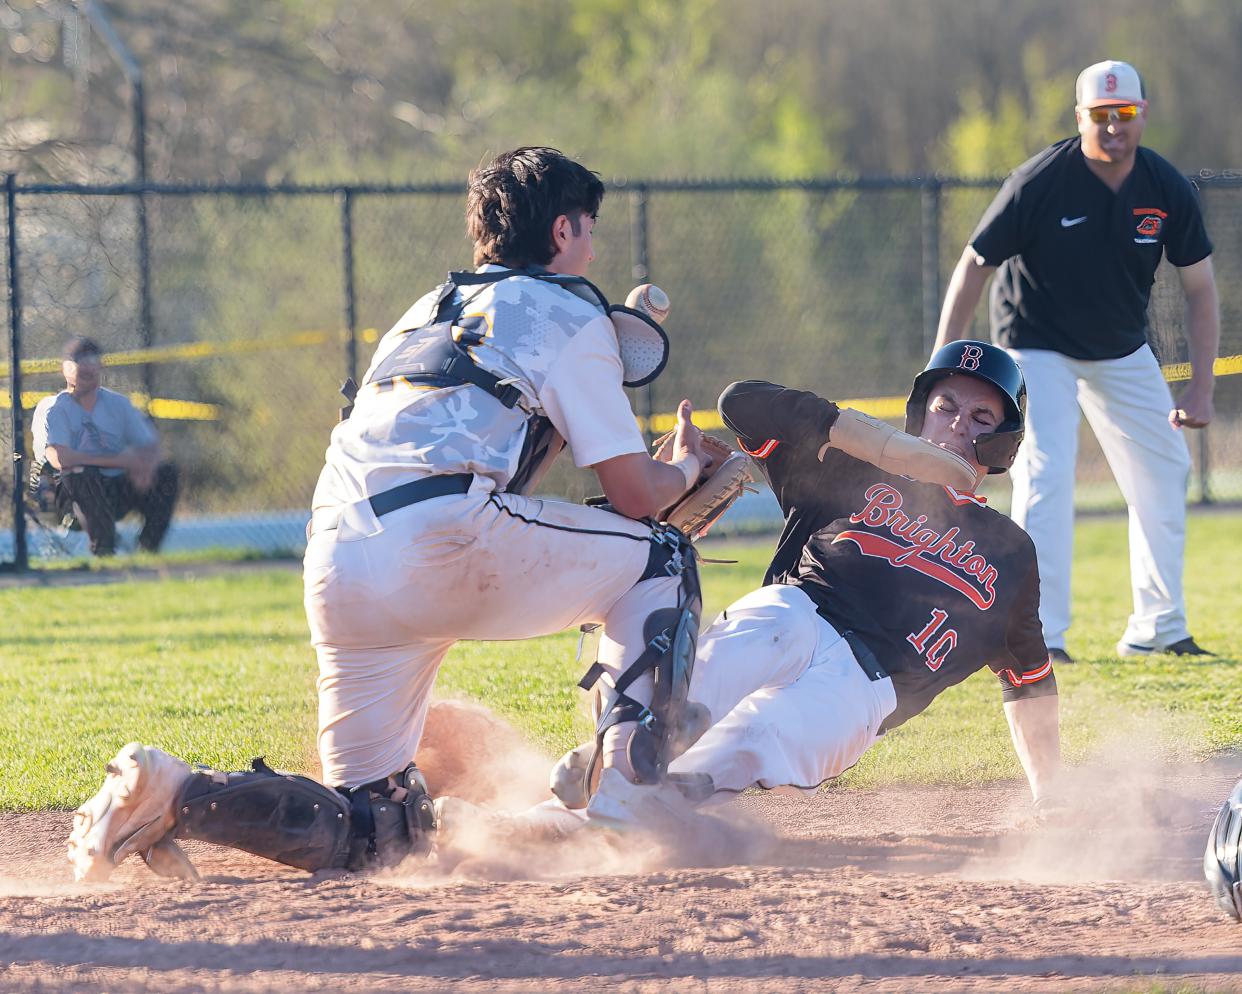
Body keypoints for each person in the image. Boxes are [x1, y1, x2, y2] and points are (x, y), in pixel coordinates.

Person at [67, 146, 715, 882]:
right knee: (662, 556)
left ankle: (174, 791)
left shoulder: (422, 314)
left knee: (376, 831)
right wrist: (687, 466)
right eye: (589, 228)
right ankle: (633, 809)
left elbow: (495, 461)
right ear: (562, 231)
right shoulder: (571, 312)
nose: (592, 245)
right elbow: (634, 495)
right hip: (442, 538)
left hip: (338, 558)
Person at [439, 340, 1061, 844]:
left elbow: (1029, 683)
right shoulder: (850, 469)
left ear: (1002, 444)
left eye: (980, 419)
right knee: (763, 626)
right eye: (946, 406)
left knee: (758, 737)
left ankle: (580, 811)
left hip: (862, 690)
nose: (955, 427)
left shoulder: (1008, 551)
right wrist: (874, 442)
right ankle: (624, 755)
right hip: (800, 614)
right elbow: (744, 403)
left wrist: (1050, 798)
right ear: (920, 409)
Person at [934, 60, 1220, 664]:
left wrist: (1199, 388)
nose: (1114, 127)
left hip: (1119, 345)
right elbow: (973, 267)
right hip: (1036, 341)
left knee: (1166, 465)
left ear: (1141, 114)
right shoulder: (1039, 181)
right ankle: (1040, 635)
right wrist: (947, 365)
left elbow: (1200, 290)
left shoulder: (1165, 187)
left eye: (1126, 114)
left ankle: (1159, 628)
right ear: (1080, 117)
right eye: (1101, 116)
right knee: (1047, 469)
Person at [30, 336, 179, 556]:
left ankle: (148, 551)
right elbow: (59, 458)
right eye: (79, 361)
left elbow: (151, 445)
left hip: (113, 488)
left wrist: (145, 465)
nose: (86, 367)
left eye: (92, 360)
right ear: (65, 369)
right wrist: (122, 461)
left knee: (166, 473)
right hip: (67, 496)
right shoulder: (54, 407)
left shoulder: (117, 404)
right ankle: (104, 551)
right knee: (81, 472)